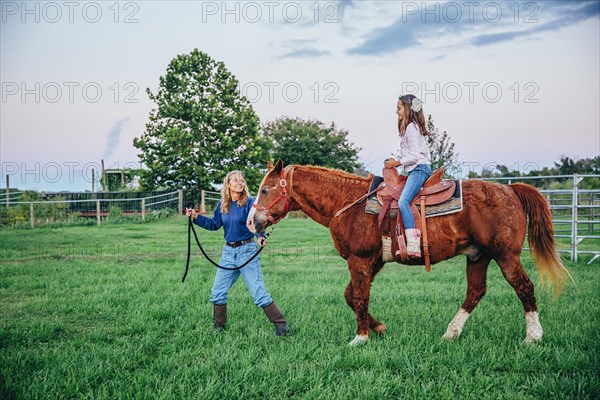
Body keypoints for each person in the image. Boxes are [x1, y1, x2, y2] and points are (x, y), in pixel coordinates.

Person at [186, 170, 291, 336]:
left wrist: (260, 236)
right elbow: (214, 224)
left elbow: (256, 221)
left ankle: (282, 326)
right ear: (228, 184)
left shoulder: (249, 203)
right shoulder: (223, 205)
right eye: (235, 180)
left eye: (242, 180)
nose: (239, 183)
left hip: (247, 252)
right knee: (218, 291)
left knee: (258, 292)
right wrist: (196, 217)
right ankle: (219, 328)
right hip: (228, 253)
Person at [384, 94, 432, 258]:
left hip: (419, 169)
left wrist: (396, 164)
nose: (396, 111)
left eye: (399, 108)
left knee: (403, 201)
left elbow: (414, 156)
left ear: (407, 109)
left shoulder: (412, 128)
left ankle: (413, 245)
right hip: (416, 169)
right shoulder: (413, 127)